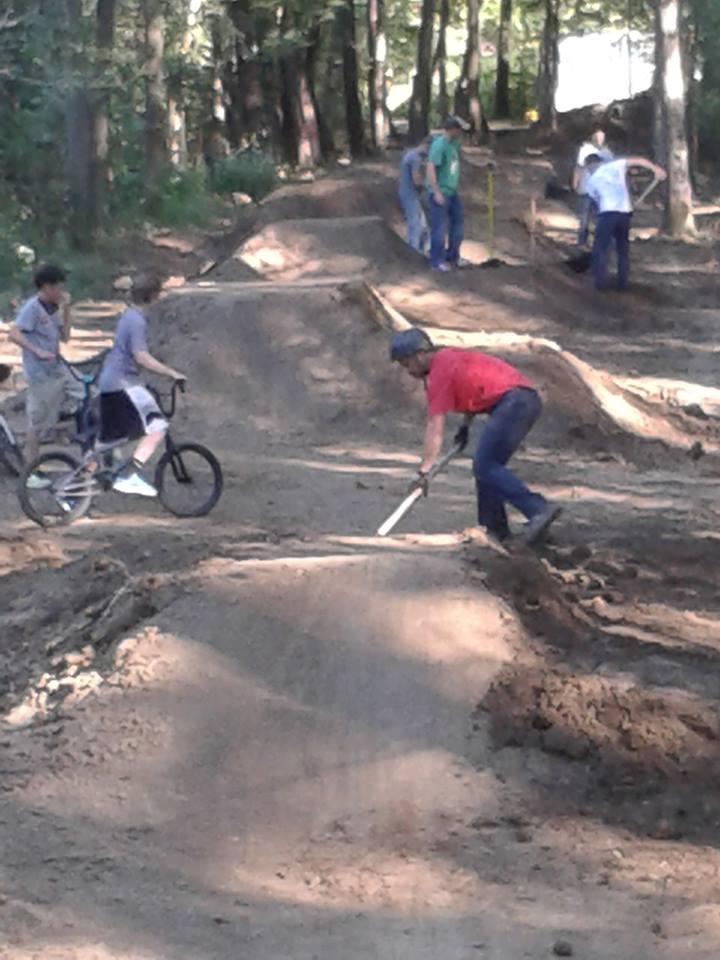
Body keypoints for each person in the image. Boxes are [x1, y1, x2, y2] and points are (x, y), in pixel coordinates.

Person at [390, 327, 562, 544]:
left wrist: (424, 470)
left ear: (421, 354)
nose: (408, 371)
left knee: (485, 465)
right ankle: (494, 529)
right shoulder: (449, 359)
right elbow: (475, 388)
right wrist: (465, 426)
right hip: (521, 400)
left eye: (407, 363)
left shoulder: (439, 371)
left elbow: (435, 425)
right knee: (488, 468)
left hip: (514, 402)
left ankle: (538, 509)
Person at [98, 272, 185, 498]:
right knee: (157, 427)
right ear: (154, 296)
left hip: (110, 382)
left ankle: (73, 491)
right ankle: (129, 477)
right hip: (124, 384)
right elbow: (141, 356)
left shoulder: (128, 315)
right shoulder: (137, 320)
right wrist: (171, 372)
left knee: (107, 440)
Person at [9, 263, 82, 478]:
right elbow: (14, 334)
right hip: (40, 374)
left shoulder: (53, 309)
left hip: (58, 369)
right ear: (47, 287)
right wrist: (37, 351)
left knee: (86, 394)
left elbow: (65, 337)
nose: (62, 291)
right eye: (59, 287)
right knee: (36, 423)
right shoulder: (32, 308)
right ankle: (31, 471)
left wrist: (67, 309)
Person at [584, 153, 666, 291]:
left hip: (607, 215)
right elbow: (639, 160)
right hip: (624, 214)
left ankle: (599, 284)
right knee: (623, 250)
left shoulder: (591, 181)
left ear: (589, 166)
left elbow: (596, 202)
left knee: (600, 249)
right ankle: (622, 284)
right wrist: (655, 169)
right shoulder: (615, 166)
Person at [426, 115, 468, 272]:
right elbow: (430, 169)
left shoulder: (454, 144)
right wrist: (436, 192)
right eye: (459, 129)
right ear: (452, 129)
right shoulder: (439, 145)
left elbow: (460, 160)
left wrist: (483, 165)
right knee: (439, 228)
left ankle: (453, 257)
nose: (461, 132)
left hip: (452, 192)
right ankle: (436, 261)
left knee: (457, 226)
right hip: (440, 192)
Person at [572, 126, 614, 248]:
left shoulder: (607, 153)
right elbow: (579, 167)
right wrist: (575, 181)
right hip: (586, 187)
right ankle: (582, 241)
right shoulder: (585, 150)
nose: (600, 140)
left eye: (602, 137)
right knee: (583, 216)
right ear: (593, 137)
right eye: (598, 137)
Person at [398, 137, 431, 253]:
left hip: (410, 193)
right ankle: (413, 252)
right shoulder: (415, 157)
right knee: (415, 225)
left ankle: (422, 250)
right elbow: (416, 179)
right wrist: (426, 188)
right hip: (410, 194)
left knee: (424, 225)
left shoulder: (411, 154)